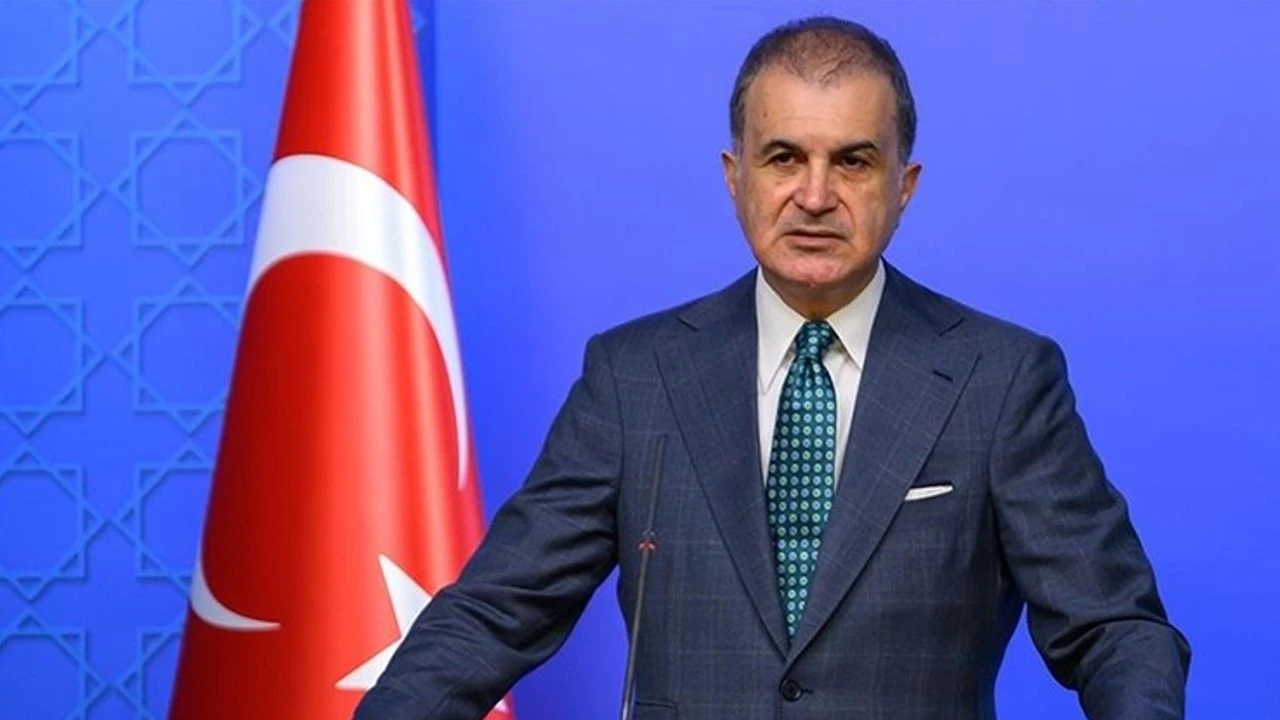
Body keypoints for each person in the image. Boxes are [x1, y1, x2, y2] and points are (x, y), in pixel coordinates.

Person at [355, 16, 1190, 720]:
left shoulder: (1001, 380)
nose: (815, 196)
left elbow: (1115, 630)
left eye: (853, 161)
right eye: (784, 157)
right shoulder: (635, 377)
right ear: (736, 177)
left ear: (904, 185)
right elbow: (496, 613)